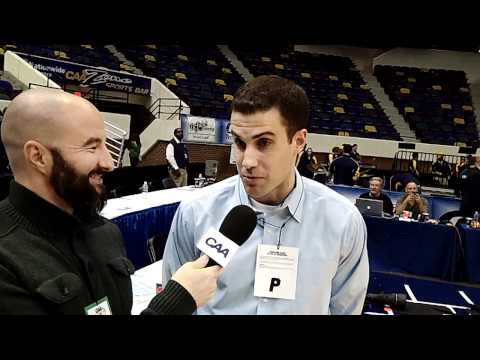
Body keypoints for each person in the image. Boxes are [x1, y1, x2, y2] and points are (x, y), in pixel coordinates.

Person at [0, 88, 223, 315]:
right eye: (92, 147)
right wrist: (175, 303)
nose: (109, 163)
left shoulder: (106, 232)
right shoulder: (6, 260)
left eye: (106, 145)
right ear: (38, 156)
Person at [162, 75, 369, 315]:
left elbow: (345, 310)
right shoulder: (195, 212)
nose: (247, 162)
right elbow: (175, 305)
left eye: (264, 143)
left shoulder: (343, 222)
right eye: (239, 143)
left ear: (299, 141)